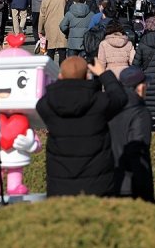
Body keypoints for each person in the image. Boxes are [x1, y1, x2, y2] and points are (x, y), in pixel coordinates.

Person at [36, 57, 127, 196]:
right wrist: (104, 74)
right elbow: (120, 97)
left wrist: (60, 81)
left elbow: (40, 103)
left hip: (60, 186)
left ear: (60, 76)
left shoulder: (47, 104)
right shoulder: (100, 101)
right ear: (87, 76)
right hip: (97, 185)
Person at [109, 66, 155, 202]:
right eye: (146, 84)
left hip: (111, 176)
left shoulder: (110, 106)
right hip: (131, 184)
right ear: (139, 87)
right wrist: (145, 193)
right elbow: (138, 152)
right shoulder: (140, 112)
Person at [38, 0, 68, 65]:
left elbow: (42, 16)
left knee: (50, 50)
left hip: (50, 27)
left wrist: (40, 30)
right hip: (63, 26)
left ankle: (50, 69)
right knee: (62, 51)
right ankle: (62, 70)